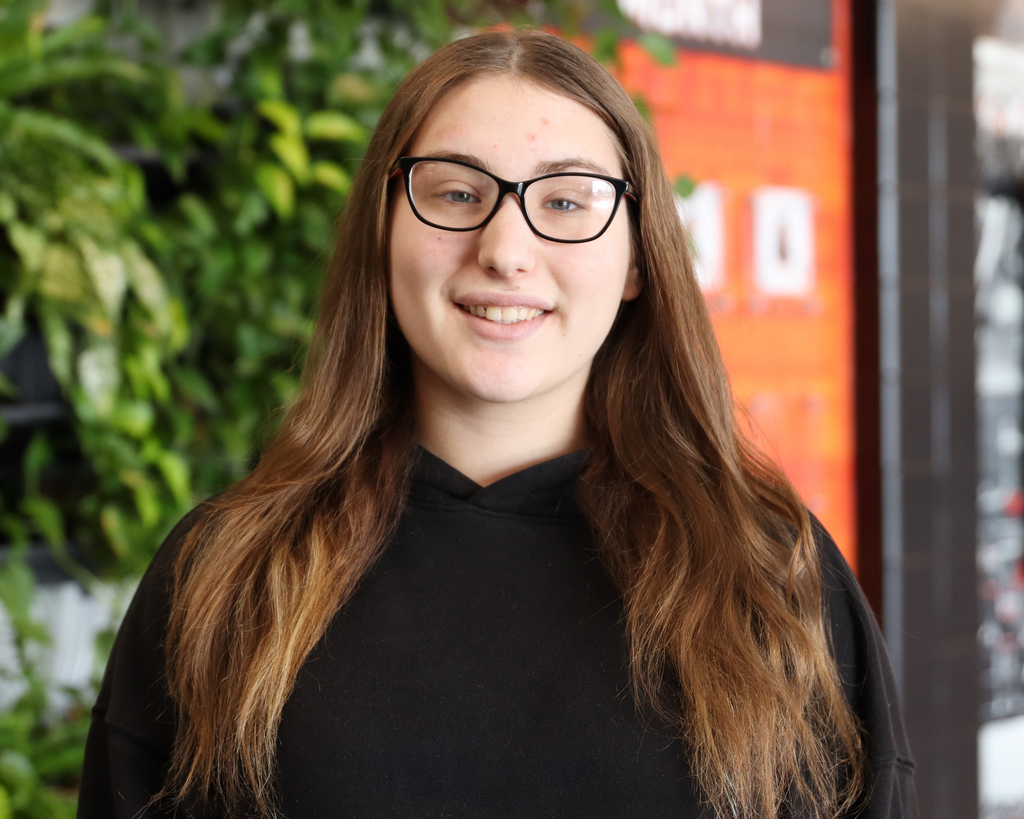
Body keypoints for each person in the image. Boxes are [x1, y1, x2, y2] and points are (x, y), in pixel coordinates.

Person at [78, 29, 916, 819]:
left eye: (565, 199)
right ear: (383, 229)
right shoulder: (223, 576)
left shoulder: (770, 575)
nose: (506, 247)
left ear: (636, 258)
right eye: (455, 191)